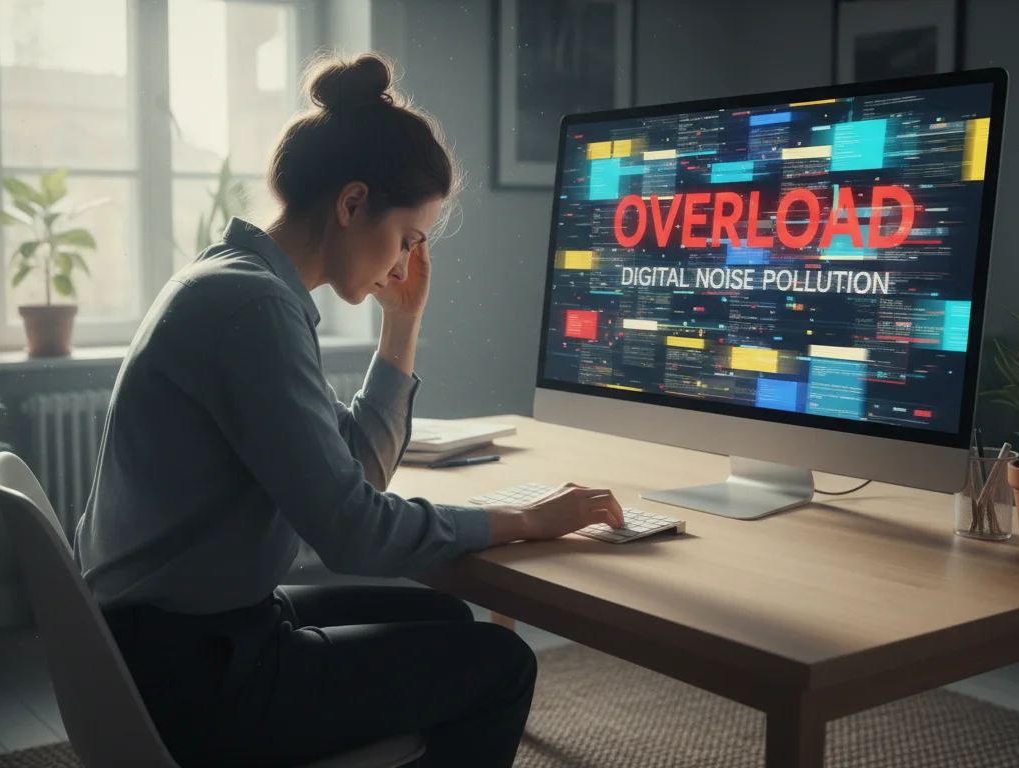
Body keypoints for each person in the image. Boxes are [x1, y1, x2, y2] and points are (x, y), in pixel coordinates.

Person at [72, 51, 626, 768]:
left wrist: (402, 326)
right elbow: (354, 533)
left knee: (442, 618)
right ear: (353, 202)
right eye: (407, 240)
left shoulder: (241, 285)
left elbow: (356, 477)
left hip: (174, 637)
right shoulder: (254, 310)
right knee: (499, 665)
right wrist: (524, 520)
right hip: (198, 674)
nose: (402, 266)